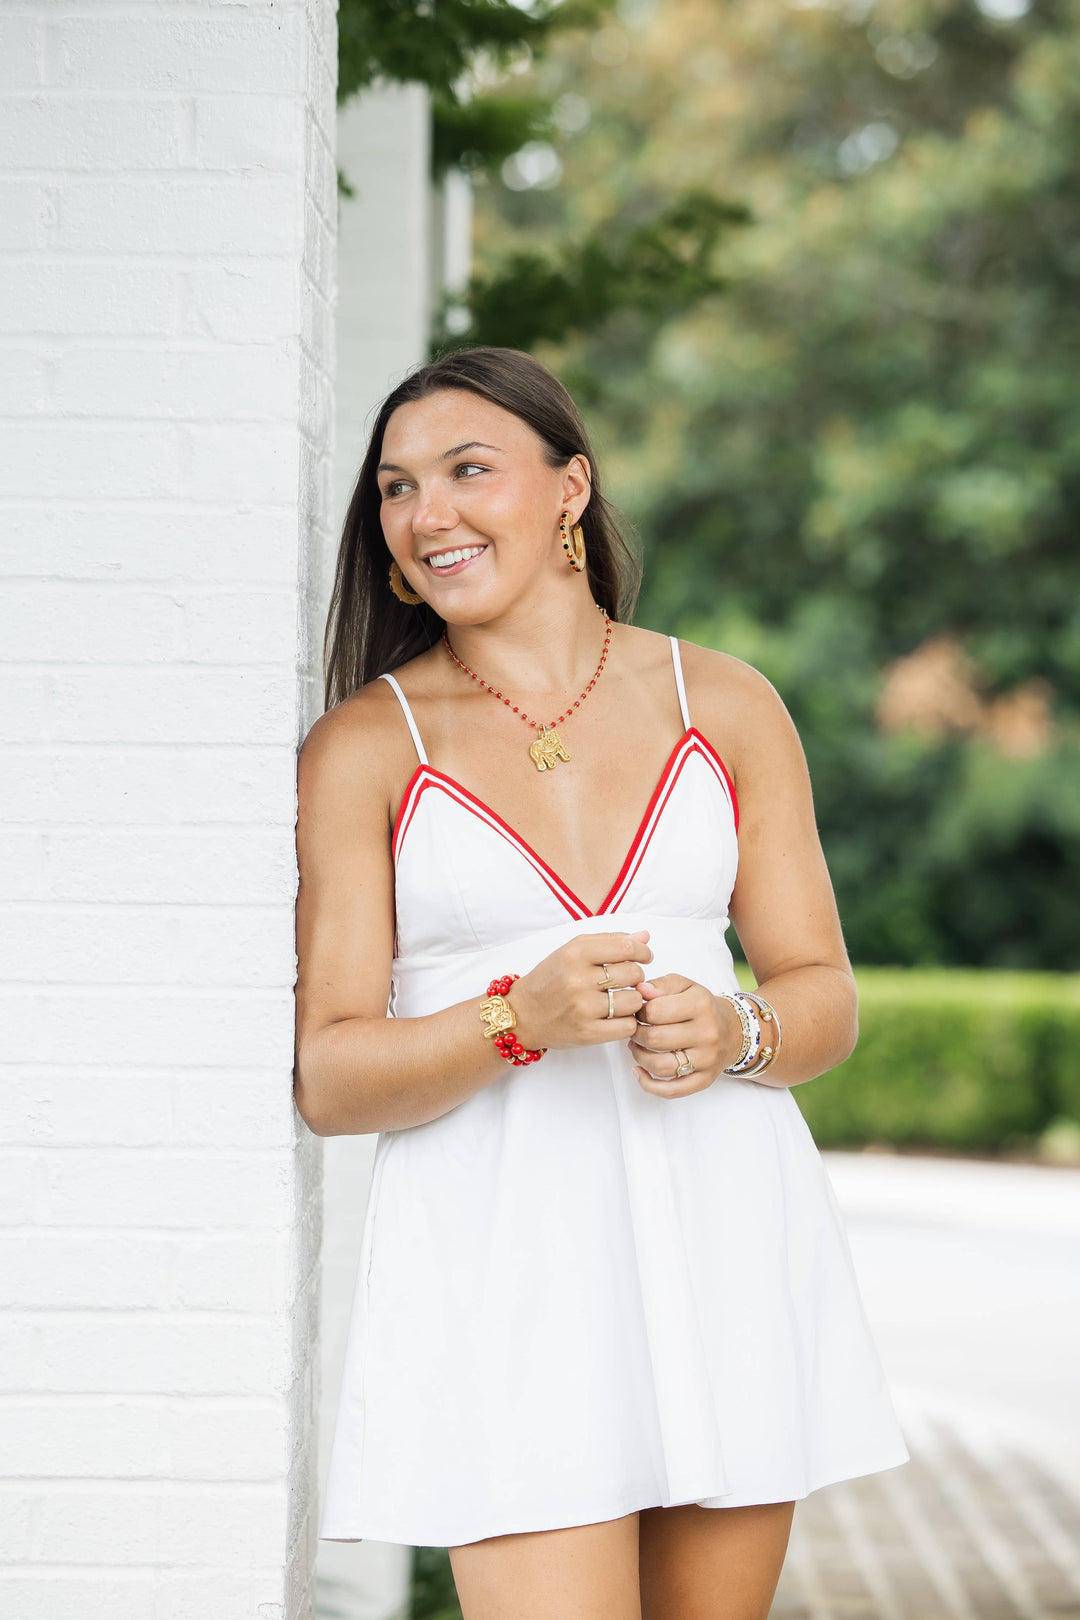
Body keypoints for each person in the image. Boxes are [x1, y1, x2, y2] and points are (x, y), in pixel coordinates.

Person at [294, 346, 909, 1619]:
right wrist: (519, 1021)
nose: (428, 516)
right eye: (397, 491)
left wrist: (739, 1028)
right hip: (504, 1271)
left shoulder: (726, 703)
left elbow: (823, 995)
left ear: (570, 488)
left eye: (470, 471)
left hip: (723, 1241)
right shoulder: (366, 746)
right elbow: (332, 1077)